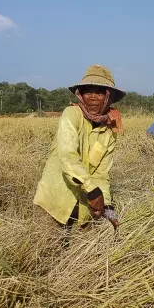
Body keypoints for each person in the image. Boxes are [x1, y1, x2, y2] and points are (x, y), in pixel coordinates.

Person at [33, 64, 126, 247]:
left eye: (99, 92)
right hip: (57, 197)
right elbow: (68, 156)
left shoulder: (110, 128)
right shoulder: (71, 114)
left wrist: (106, 206)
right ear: (80, 94)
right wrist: (92, 189)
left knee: (80, 251)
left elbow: (101, 173)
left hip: (85, 202)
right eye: (87, 91)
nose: (92, 97)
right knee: (49, 249)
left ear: (109, 97)